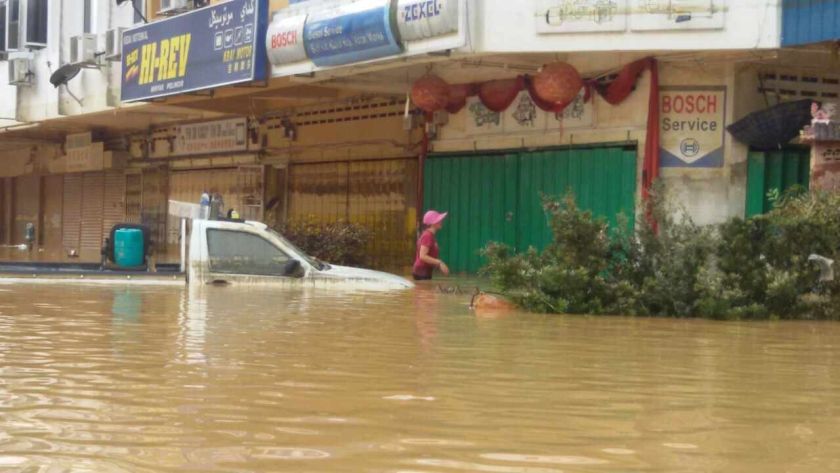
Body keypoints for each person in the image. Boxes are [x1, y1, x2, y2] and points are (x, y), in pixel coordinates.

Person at [413, 210, 450, 281]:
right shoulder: (427, 236)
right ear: (433, 223)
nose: (441, 221)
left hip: (424, 271)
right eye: (439, 220)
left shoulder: (430, 235)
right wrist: (439, 262)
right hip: (421, 272)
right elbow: (422, 256)